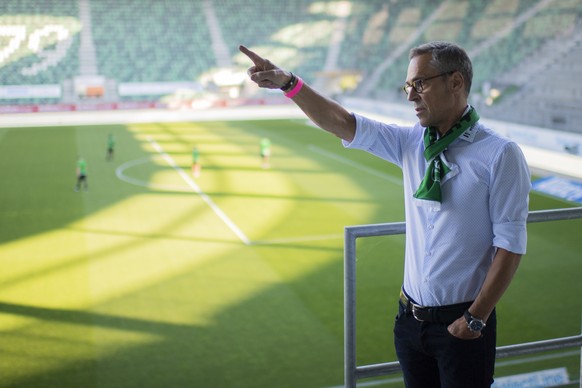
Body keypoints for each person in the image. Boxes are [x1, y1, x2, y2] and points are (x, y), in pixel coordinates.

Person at [240, 41, 530, 387]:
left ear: (455, 82)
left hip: (463, 323)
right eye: (408, 86)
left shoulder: (500, 154)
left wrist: (475, 318)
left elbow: (510, 245)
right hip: (410, 322)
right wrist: (290, 83)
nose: (411, 96)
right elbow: (341, 122)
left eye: (420, 83)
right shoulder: (412, 143)